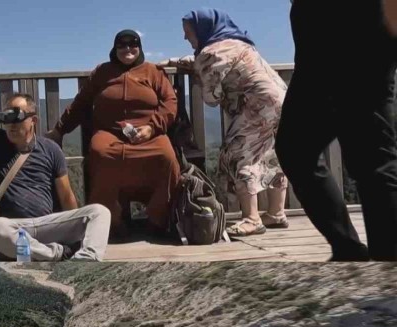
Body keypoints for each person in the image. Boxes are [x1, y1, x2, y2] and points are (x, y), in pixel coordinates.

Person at [274, 0, 397, 261]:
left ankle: (388, 274)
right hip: (318, 25)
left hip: (361, 20)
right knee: (296, 150)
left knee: (372, 157)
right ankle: (349, 252)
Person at [159, 8, 290, 237]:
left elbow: (212, 98)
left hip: (256, 106)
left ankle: (252, 219)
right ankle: (276, 213)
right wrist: (177, 61)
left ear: (202, 29)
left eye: (188, 32)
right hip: (281, 102)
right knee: (271, 155)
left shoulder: (211, 52)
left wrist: (199, 78)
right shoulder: (233, 43)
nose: (185, 37)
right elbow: (206, 60)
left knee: (238, 155)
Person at [0, 93, 111, 261]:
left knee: (100, 212)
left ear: (33, 120)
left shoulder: (51, 149)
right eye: (6, 118)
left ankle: (85, 259)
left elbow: (66, 196)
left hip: (47, 224)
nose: (11, 125)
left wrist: (71, 227)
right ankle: (57, 254)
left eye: (16, 118)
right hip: (14, 229)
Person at [46, 30, 179, 239]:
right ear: (114, 49)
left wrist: (152, 127)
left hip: (149, 133)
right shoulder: (102, 72)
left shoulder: (154, 72)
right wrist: (59, 129)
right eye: (122, 45)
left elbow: (169, 102)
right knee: (100, 153)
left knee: (167, 157)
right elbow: (81, 103)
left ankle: (158, 218)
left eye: (133, 44)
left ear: (140, 47)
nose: (127, 49)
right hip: (110, 133)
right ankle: (111, 221)